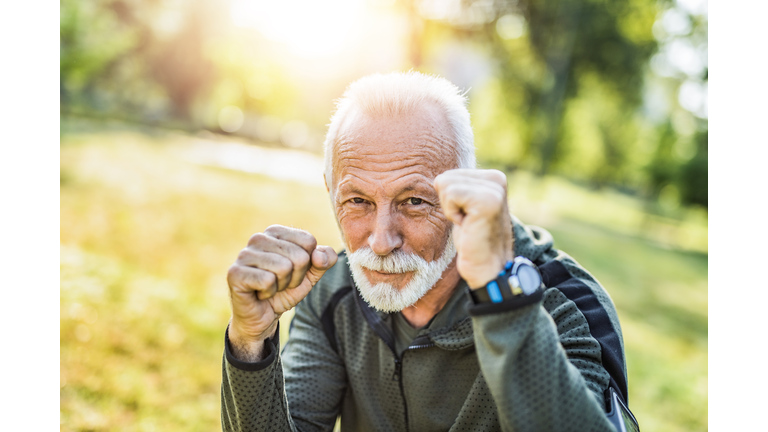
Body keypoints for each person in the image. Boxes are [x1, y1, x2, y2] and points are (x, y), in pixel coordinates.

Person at [221, 72, 637, 432]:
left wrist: (504, 300)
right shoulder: (331, 292)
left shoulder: (565, 304)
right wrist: (250, 341)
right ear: (331, 195)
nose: (381, 242)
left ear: (465, 193)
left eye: (414, 201)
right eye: (358, 202)